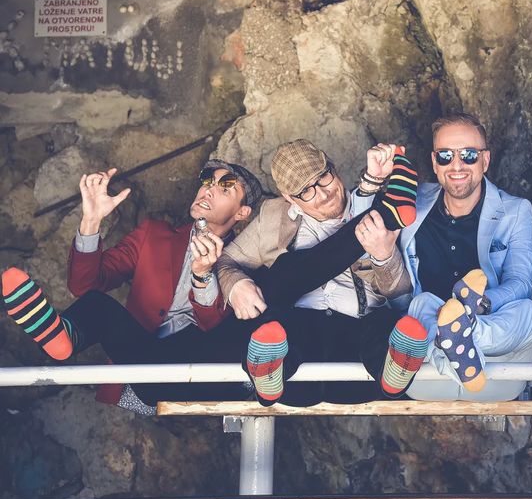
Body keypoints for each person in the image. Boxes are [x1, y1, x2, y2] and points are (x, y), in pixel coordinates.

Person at [2, 160, 263, 412]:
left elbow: (213, 325)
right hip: (147, 365)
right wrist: (91, 221)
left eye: (226, 188)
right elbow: (84, 285)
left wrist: (203, 274)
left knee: (224, 330)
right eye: (208, 181)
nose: (209, 190)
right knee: (97, 305)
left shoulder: (245, 261)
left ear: (242, 213)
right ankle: (65, 336)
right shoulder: (154, 235)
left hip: (202, 374)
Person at [216, 139, 426, 406]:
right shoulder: (273, 217)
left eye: (323, 177)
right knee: (280, 292)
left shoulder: (368, 209)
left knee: (385, 323)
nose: (323, 193)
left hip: (358, 360)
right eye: (306, 191)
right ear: (289, 199)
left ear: (333, 167)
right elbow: (226, 260)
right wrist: (236, 285)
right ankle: (268, 371)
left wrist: (384, 256)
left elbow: (403, 298)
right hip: (296, 367)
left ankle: (394, 369)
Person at [374, 113, 532, 401]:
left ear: (485, 160)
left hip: (497, 370)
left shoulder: (515, 211)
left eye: (469, 155)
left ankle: (465, 332)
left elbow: (522, 283)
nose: (457, 165)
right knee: (422, 303)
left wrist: (479, 306)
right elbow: (362, 227)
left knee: (528, 311)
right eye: (445, 156)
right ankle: (452, 337)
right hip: (428, 375)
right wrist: (373, 179)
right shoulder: (413, 201)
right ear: (434, 162)